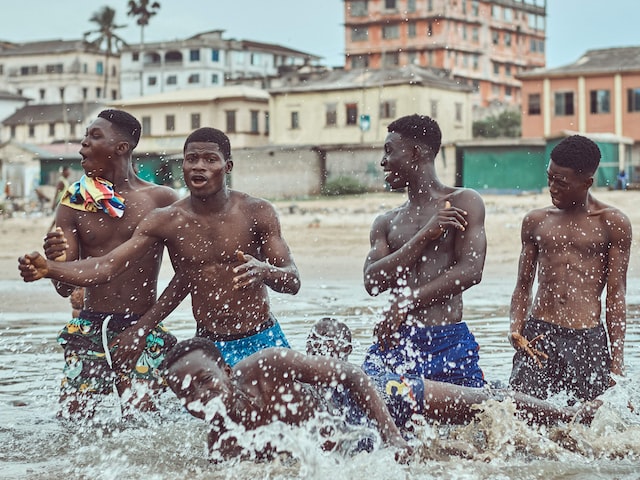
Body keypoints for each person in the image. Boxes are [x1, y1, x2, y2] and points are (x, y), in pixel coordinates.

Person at [19, 127, 300, 370]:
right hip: (208, 343)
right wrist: (50, 268)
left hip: (263, 337)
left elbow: (293, 281)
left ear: (228, 167)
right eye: (192, 159)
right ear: (183, 166)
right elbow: (110, 265)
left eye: (210, 159)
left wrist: (264, 271)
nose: (199, 166)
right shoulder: (167, 220)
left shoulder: (257, 212)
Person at [38, 109, 180, 419]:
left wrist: (144, 328)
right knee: (72, 422)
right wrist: (53, 260)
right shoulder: (74, 200)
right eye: (85, 136)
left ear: (122, 148)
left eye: (94, 136)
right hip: (90, 327)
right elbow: (64, 288)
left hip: (142, 325)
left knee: (143, 423)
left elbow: (185, 277)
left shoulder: (161, 200)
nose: (83, 145)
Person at [361, 114, 486, 388]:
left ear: (415, 153)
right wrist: (424, 236)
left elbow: (470, 271)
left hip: (446, 342)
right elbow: (372, 282)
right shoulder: (386, 221)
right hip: (395, 341)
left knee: (472, 423)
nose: (383, 161)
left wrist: (405, 303)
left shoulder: (463, 201)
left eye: (389, 151)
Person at [509, 134, 632, 402]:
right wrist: (516, 330)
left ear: (587, 182)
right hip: (538, 336)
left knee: (588, 424)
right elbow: (522, 285)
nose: (552, 187)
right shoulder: (536, 221)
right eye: (550, 177)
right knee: (522, 414)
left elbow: (616, 295)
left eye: (561, 182)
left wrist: (617, 360)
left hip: (586, 340)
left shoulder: (612, 224)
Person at [162, 338, 411, 462]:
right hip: (347, 449)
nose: (199, 395)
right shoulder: (224, 448)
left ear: (226, 372)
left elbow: (352, 375)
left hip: (361, 400)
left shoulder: (268, 366)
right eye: (185, 392)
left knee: (448, 404)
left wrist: (393, 438)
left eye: (205, 379)